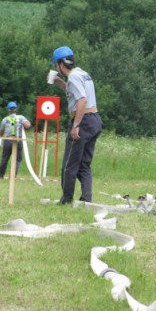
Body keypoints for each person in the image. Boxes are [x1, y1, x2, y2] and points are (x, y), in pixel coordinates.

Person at [50, 46, 103, 204]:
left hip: (83, 121)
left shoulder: (73, 77)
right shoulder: (82, 73)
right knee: (84, 164)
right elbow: (74, 92)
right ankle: (87, 200)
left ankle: (66, 200)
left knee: (69, 164)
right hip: (94, 119)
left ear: (60, 64)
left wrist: (76, 126)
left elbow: (81, 100)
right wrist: (59, 82)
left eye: (56, 65)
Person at [0, 102, 31, 179]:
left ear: (8, 110)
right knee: (18, 159)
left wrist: (1, 137)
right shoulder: (21, 118)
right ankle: (13, 176)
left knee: (5, 158)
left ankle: (0, 175)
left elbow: (1, 132)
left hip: (8, 140)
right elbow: (28, 125)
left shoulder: (5, 119)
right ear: (16, 109)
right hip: (18, 140)